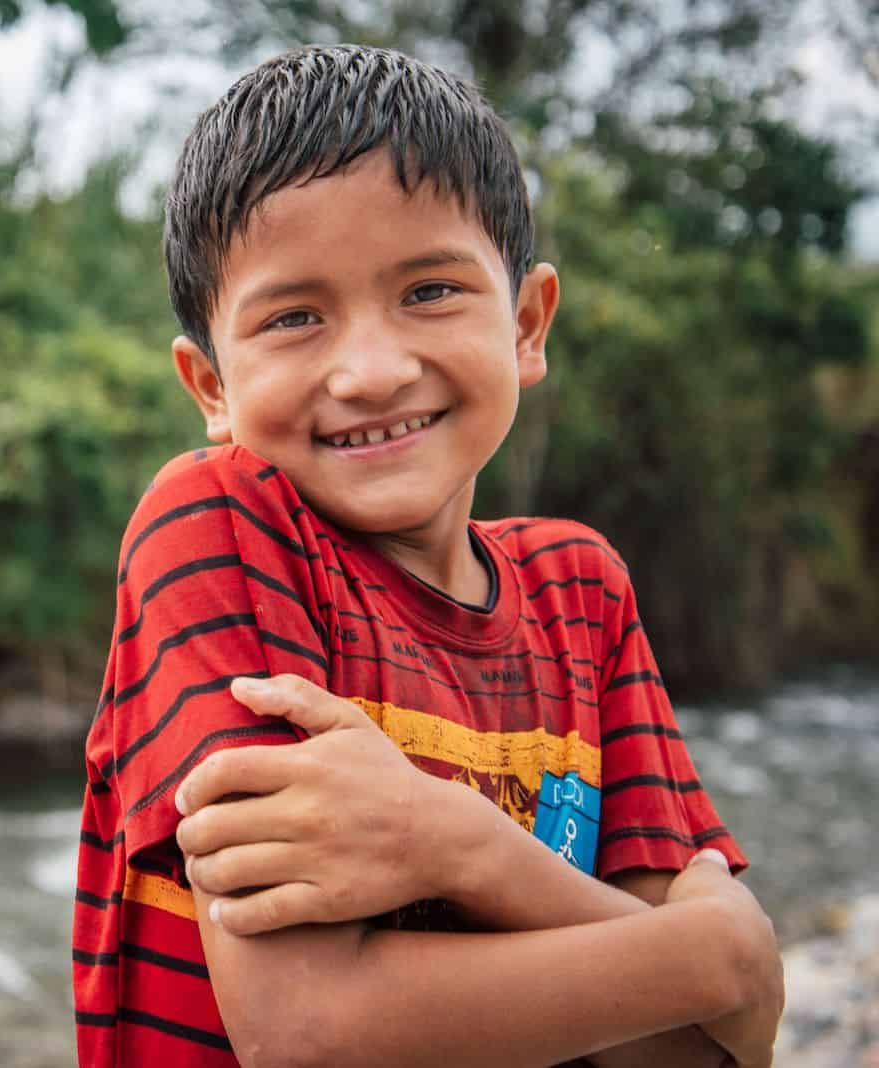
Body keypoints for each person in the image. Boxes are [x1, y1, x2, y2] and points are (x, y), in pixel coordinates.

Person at [71, 43, 783, 1068]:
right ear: (210, 387)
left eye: (431, 291)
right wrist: (715, 958)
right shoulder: (217, 524)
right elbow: (306, 1028)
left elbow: (705, 1055)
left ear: (527, 323)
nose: (368, 370)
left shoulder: (583, 595)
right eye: (294, 317)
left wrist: (454, 844)